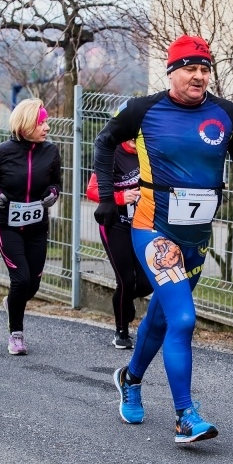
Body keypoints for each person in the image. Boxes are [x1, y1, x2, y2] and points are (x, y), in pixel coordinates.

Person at [93, 35, 233, 443]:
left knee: (162, 316)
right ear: (172, 72)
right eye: (190, 68)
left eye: (205, 69)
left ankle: (130, 378)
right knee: (184, 319)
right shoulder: (143, 109)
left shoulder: (226, 113)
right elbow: (103, 144)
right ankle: (185, 416)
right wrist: (106, 197)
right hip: (154, 227)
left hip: (197, 236)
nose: (199, 76)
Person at [0, 98, 62, 355]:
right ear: (25, 124)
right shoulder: (2, 152)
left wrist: (53, 193)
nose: (46, 127)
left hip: (37, 225)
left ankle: (12, 302)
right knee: (20, 279)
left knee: (32, 285)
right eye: (41, 122)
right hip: (6, 225)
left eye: (46, 121)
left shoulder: (51, 151)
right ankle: (16, 334)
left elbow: (56, 182)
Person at [85, 138, 153, 349]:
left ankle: (123, 301)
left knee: (146, 282)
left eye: (137, 135)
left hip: (142, 224)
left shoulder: (148, 151)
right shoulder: (111, 153)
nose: (134, 140)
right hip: (115, 224)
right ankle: (121, 331)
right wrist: (121, 197)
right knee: (125, 280)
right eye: (129, 135)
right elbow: (91, 190)